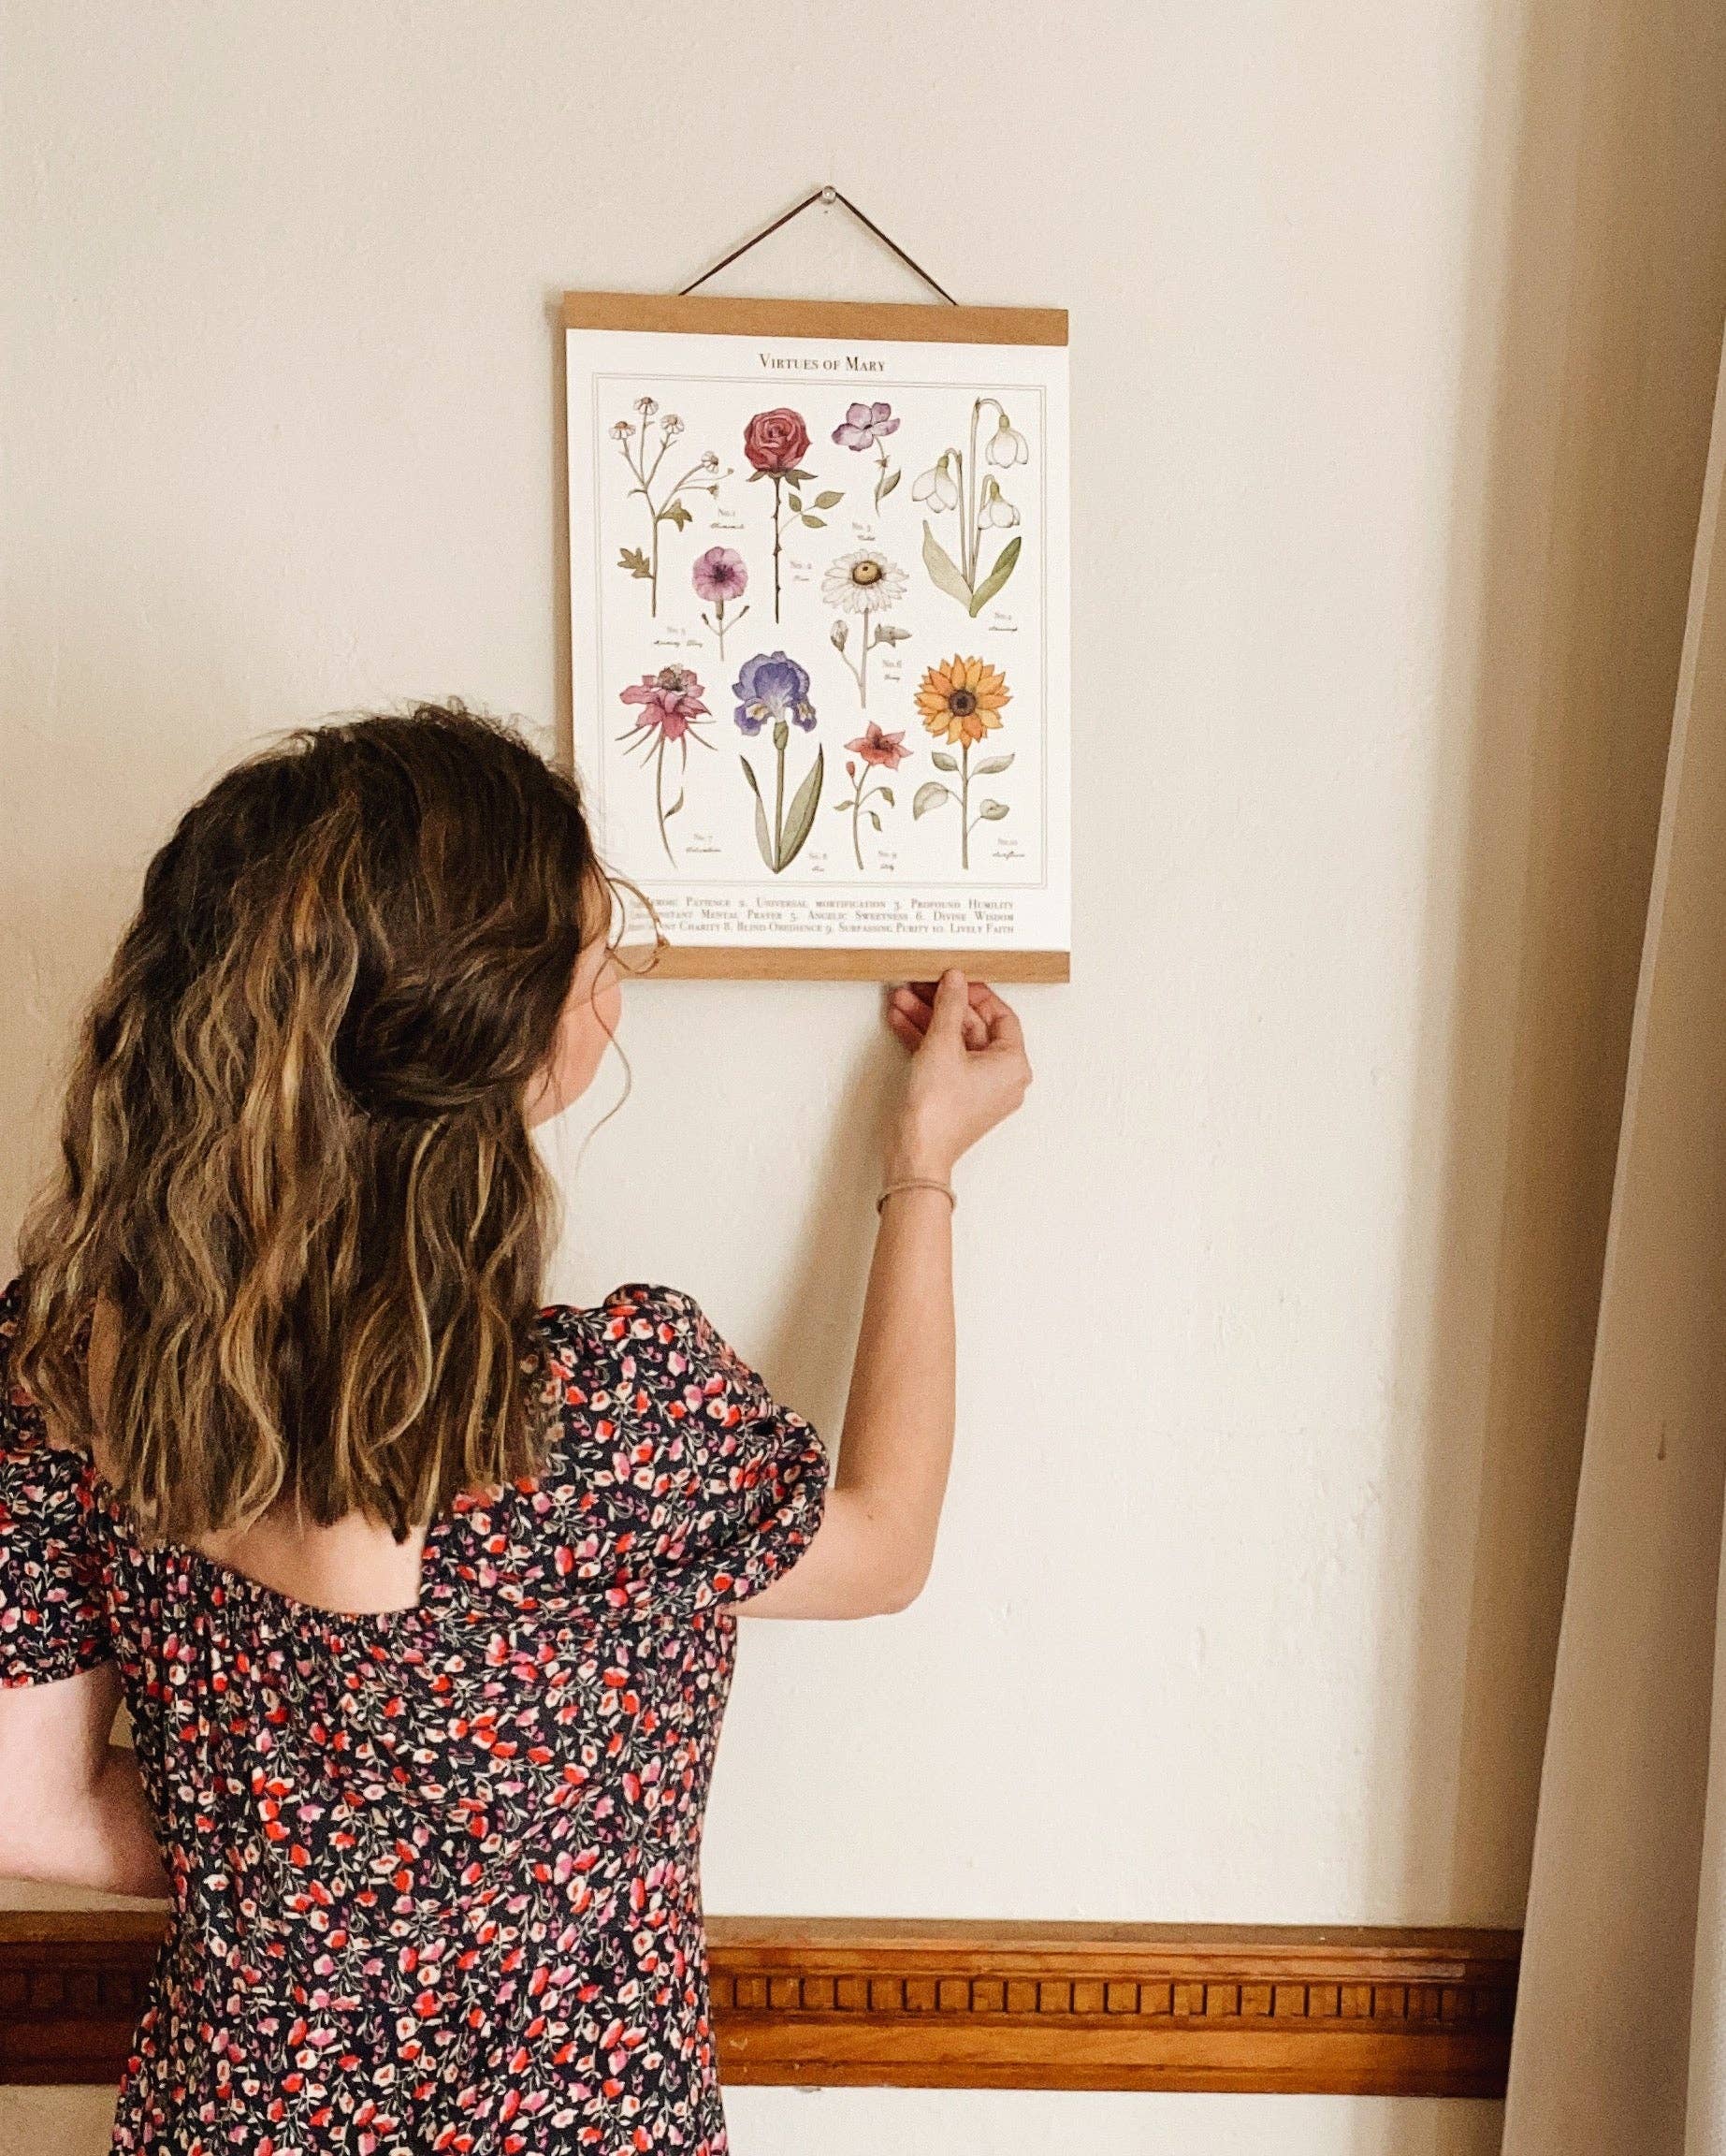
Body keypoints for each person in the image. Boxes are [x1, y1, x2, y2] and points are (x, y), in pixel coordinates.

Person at [0, 703, 1031, 2154]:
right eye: (599, 955)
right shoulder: (616, 1409)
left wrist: (290, 1863)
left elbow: (24, 1807)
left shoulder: (73, 1362)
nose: (612, 986)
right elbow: (884, 1545)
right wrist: (922, 1167)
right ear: (512, 1046)